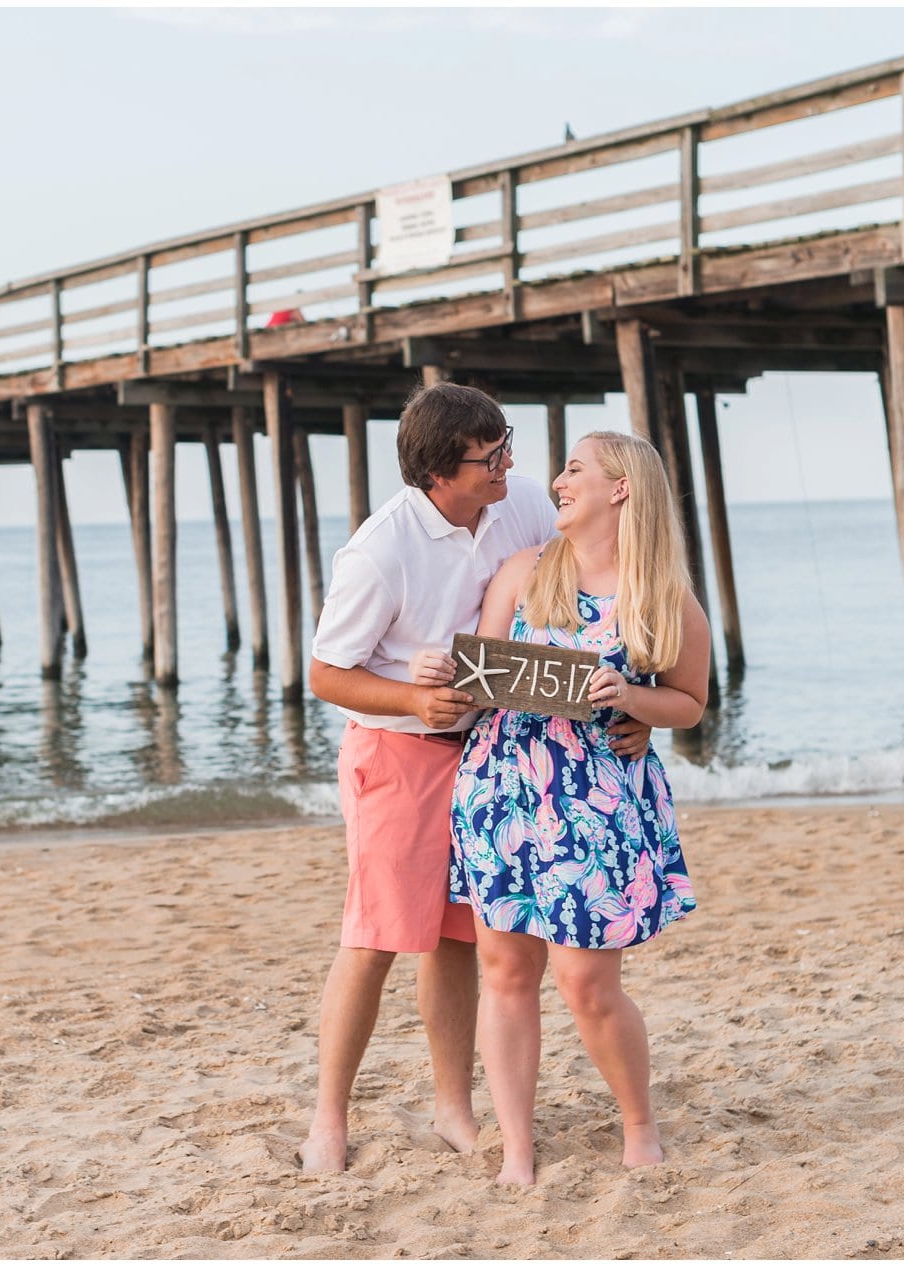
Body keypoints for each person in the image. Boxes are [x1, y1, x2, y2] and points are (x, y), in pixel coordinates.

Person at [300, 383, 651, 1173]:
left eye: (507, 443)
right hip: (397, 749)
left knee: (461, 936)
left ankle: (453, 1105)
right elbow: (325, 672)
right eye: (489, 456)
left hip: (493, 754)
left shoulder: (519, 502)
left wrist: (643, 707)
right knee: (377, 934)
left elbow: (604, 592)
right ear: (437, 473)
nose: (510, 464)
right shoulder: (381, 550)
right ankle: (328, 1116)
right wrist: (414, 697)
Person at [412, 429, 707, 1186]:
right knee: (505, 971)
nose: (559, 478)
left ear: (622, 489)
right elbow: (476, 681)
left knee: (587, 983)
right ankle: (516, 1146)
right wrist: (440, 674)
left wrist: (633, 696)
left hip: (596, 802)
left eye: (577, 467)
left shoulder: (661, 595)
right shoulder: (525, 571)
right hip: (504, 787)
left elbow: (691, 701)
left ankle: (638, 1121)